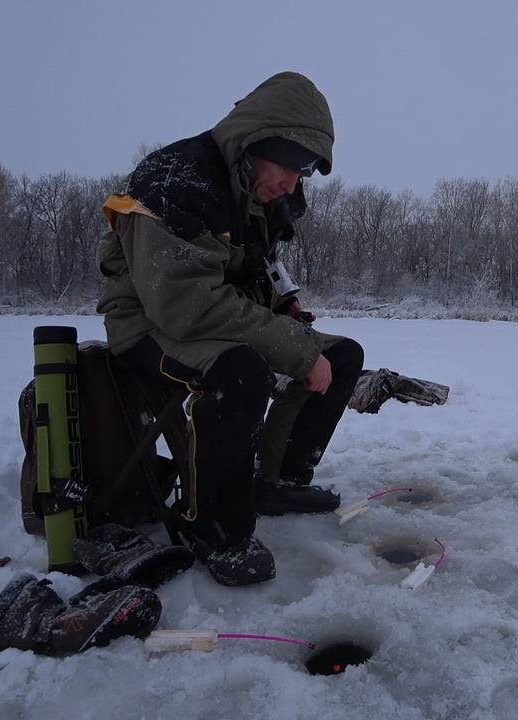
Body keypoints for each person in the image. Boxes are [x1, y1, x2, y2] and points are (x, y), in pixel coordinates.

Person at [95, 72, 364, 586]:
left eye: (306, 171)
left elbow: (258, 263)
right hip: (148, 321)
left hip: (219, 314)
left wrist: (287, 308)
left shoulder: (261, 192)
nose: (295, 183)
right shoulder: (177, 181)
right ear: (255, 144)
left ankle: (277, 480)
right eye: (292, 165)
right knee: (241, 372)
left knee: (344, 354)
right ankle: (213, 529)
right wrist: (297, 352)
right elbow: (184, 306)